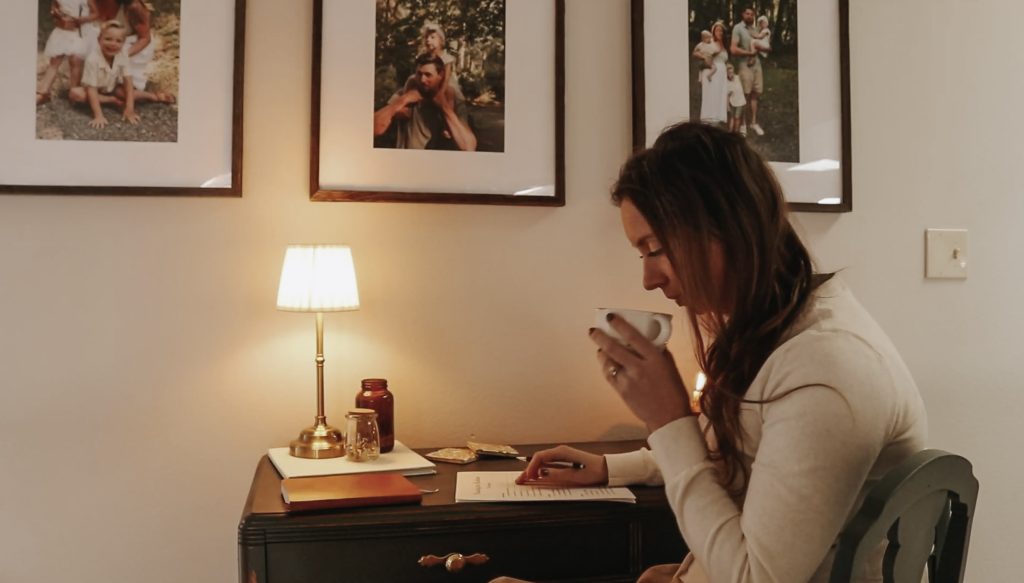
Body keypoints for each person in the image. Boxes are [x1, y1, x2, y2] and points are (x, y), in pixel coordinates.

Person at [497, 123, 927, 583]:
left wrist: (667, 420)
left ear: (722, 229)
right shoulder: (785, 327)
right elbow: (741, 456)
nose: (649, 280)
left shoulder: (827, 370)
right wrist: (609, 467)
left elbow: (753, 577)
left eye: (654, 249)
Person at [373, 53, 477, 151]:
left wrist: (444, 107)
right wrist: (402, 101)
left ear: (440, 75)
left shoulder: (453, 99)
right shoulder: (405, 94)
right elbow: (373, 129)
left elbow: (468, 147)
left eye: (428, 75)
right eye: (419, 74)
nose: (422, 80)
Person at [68, 20, 138, 129]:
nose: (113, 44)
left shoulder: (123, 53)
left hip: (111, 87)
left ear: (123, 43)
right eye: (108, 39)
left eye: (118, 41)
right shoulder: (93, 59)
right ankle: (111, 100)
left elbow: (128, 80)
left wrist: (130, 108)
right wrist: (98, 116)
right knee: (75, 93)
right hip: (94, 90)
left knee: (134, 94)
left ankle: (155, 97)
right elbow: (91, 89)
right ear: (99, 39)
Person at [36, 0, 100, 105]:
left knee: (75, 61)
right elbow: (54, 7)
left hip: (81, 31)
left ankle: (74, 91)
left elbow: (96, 14)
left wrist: (83, 19)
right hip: (64, 30)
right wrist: (56, 13)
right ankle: (43, 92)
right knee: (54, 62)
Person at [119, 0, 176, 105]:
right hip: (117, 42)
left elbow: (145, 38)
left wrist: (121, 56)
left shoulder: (134, 7)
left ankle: (153, 96)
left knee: (118, 91)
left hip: (135, 47)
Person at [730, 7, 765, 136]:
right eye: (747, 13)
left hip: (757, 65)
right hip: (744, 65)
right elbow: (733, 49)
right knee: (745, 96)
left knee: (756, 94)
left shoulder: (755, 30)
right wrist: (748, 53)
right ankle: (743, 124)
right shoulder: (738, 28)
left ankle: (754, 123)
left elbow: (761, 45)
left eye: (752, 14)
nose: (750, 16)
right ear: (743, 14)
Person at [696, 21, 728, 125]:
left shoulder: (722, 44)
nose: (720, 32)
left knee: (720, 94)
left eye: (721, 30)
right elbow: (695, 52)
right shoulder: (710, 43)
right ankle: (708, 118)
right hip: (712, 72)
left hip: (722, 73)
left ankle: (717, 117)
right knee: (711, 94)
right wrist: (705, 56)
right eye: (718, 30)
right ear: (713, 32)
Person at [725, 63, 746, 133]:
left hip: (740, 102)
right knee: (732, 118)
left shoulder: (738, 77)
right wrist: (727, 105)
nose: (730, 74)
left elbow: (743, 85)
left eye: (731, 72)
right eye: (728, 73)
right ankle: (730, 131)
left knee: (737, 117)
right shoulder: (727, 83)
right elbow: (727, 96)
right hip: (732, 102)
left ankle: (736, 131)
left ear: (734, 71)